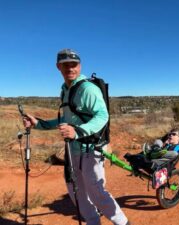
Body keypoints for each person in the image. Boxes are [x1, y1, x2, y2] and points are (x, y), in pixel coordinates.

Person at [22, 49, 130, 225]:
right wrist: (39, 124)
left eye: (74, 64)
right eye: (66, 65)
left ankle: (123, 223)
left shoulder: (88, 89)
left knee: (96, 193)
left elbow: (102, 116)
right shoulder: (65, 89)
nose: (70, 68)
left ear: (80, 66)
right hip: (73, 150)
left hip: (91, 149)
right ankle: (93, 222)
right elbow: (65, 119)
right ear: (58, 67)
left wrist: (78, 131)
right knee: (76, 192)